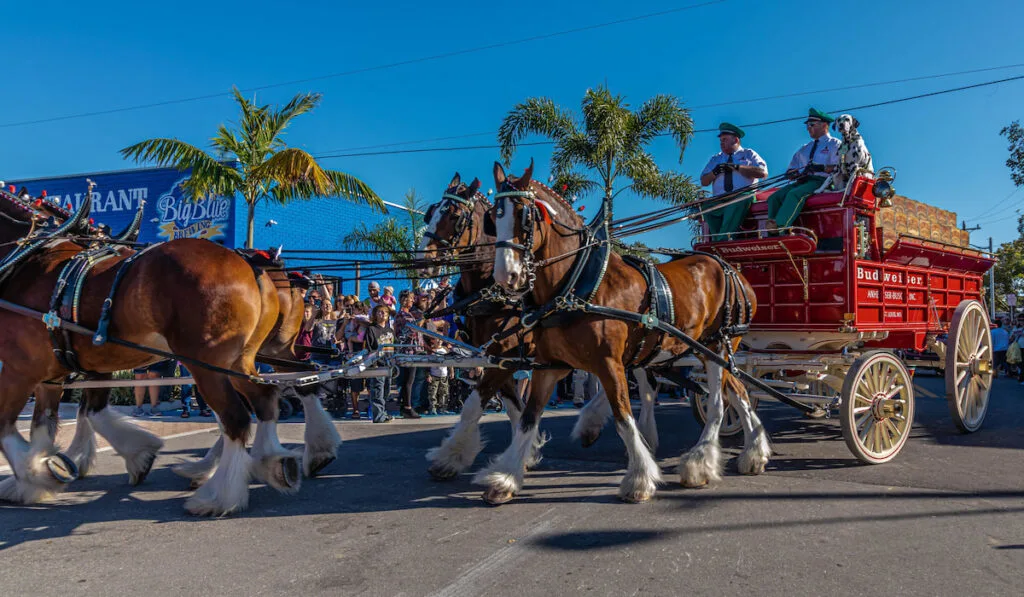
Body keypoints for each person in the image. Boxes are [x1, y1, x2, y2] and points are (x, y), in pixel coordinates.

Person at [766, 108, 841, 230]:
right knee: (774, 198)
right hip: (803, 181)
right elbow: (792, 169)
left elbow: (839, 167)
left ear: (824, 125)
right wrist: (792, 174)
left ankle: (780, 227)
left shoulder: (835, 144)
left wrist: (819, 167)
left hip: (822, 181)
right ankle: (770, 228)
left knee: (794, 194)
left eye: (812, 124)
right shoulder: (804, 148)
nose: (808, 127)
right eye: (807, 125)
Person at [699, 122, 769, 238]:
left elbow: (762, 173)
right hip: (720, 199)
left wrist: (737, 167)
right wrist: (715, 172)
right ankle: (719, 239)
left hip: (742, 196)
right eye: (720, 140)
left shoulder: (748, 154)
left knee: (736, 204)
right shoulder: (717, 158)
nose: (722, 143)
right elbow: (704, 181)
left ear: (736, 140)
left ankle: (722, 241)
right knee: (707, 206)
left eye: (725, 139)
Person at [363, 304, 396, 423]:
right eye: (380, 312)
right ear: (375, 315)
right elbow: (369, 347)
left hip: (389, 364)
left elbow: (394, 346)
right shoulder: (372, 329)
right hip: (378, 364)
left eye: (385, 313)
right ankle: (378, 416)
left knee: (386, 391)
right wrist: (373, 363)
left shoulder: (390, 330)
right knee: (377, 390)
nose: (382, 314)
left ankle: (383, 412)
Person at [394, 289, 423, 418]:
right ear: (405, 300)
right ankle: (407, 407)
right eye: (411, 298)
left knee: (409, 380)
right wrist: (422, 320)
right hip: (408, 350)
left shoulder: (407, 314)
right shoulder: (403, 315)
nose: (413, 301)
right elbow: (411, 330)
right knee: (408, 380)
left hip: (411, 349)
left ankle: (405, 405)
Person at [344, 301, 370, 418]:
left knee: (370, 384)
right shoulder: (350, 321)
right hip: (354, 355)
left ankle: (371, 407)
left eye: (355, 309)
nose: (353, 311)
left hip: (366, 354)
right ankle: (355, 409)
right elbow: (347, 335)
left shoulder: (364, 319)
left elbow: (369, 323)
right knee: (355, 385)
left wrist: (357, 320)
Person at [424, 332, 452, 415]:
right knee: (433, 393)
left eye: (441, 339)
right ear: (433, 340)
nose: (439, 341)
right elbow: (427, 364)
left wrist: (451, 371)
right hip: (434, 375)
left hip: (444, 375)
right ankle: (433, 408)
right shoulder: (431, 351)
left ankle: (443, 408)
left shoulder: (445, 350)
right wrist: (428, 375)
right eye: (437, 338)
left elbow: (450, 361)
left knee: (444, 392)